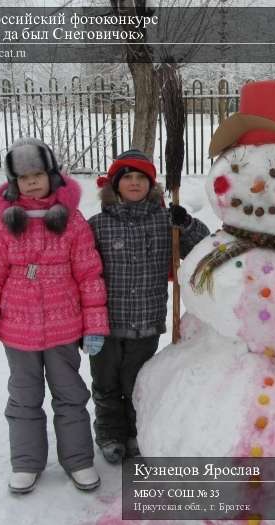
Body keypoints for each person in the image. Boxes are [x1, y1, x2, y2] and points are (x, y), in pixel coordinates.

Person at [0, 137, 109, 494]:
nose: (32, 182)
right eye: (24, 177)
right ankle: (27, 462)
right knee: (23, 397)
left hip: (64, 329)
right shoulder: (4, 225)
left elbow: (89, 276)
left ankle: (77, 459)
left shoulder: (72, 222)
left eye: (38, 174)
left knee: (70, 395)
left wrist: (94, 326)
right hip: (17, 332)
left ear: (52, 176)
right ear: (14, 182)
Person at [88, 149, 209, 464]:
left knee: (137, 382)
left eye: (141, 177)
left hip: (147, 320)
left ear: (151, 184)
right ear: (114, 184)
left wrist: (186, 223)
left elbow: (203, 247)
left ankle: (135, 431)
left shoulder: (165, 221)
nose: (134, 183)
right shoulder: (97, 225)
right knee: (105, 383)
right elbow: (81, 272)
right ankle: (109, 433)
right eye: (126, 177)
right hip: (105, 322)